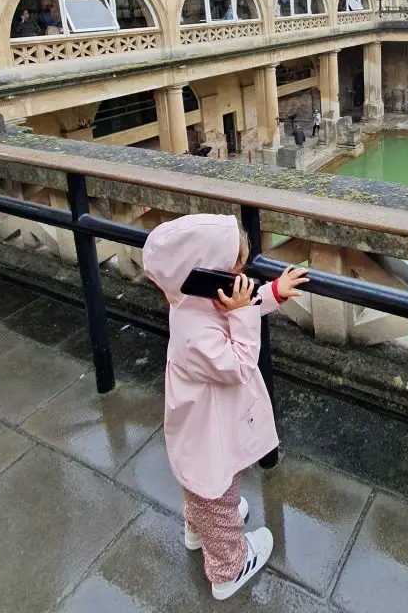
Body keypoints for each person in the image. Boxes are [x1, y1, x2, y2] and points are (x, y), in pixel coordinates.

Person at [143, 214, 308, 600]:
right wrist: (244, 312)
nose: (241, 274)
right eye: (234, 266)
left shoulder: (196, 300)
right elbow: (239, 364)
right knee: (216, 491)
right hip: (206, 434)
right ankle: (229, 567)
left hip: (199, 427)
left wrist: (274, 292)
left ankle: (198, 528)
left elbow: (241, 302)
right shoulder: (193, 332)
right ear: (203, 270)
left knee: (201, 488)